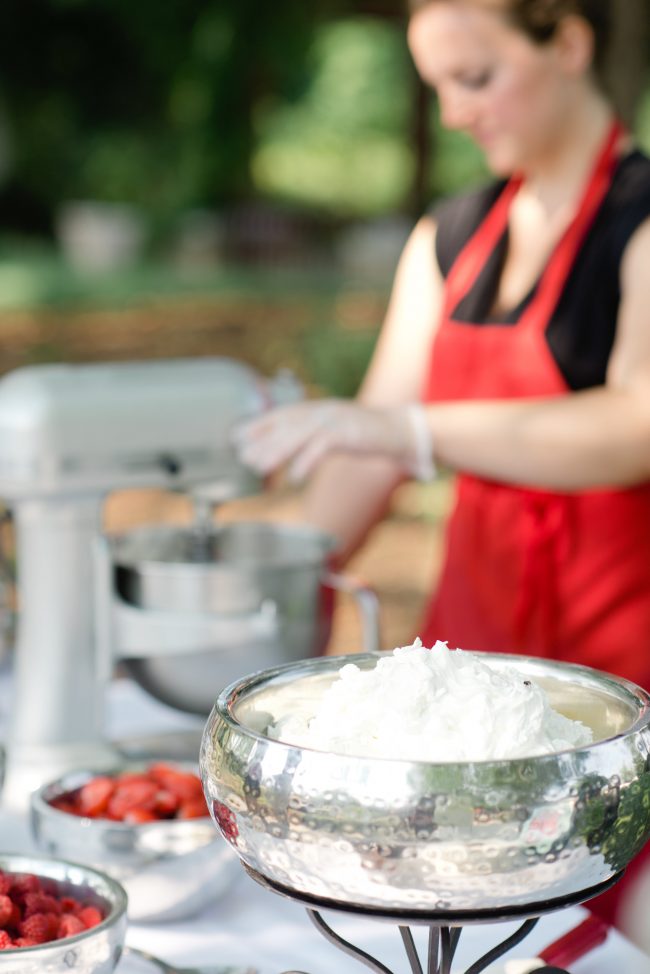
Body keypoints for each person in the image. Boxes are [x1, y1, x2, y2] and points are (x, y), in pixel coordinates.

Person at [234, 0, 650, 931]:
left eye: (476, 78)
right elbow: (367, 454)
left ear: (570, 43)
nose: (456, 115)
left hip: (622, 699)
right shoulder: (448, 238)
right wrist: (241, 562)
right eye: (437, 90)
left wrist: (417, 433)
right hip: (472, 690)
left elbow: (636, 419)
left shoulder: (640, 221)